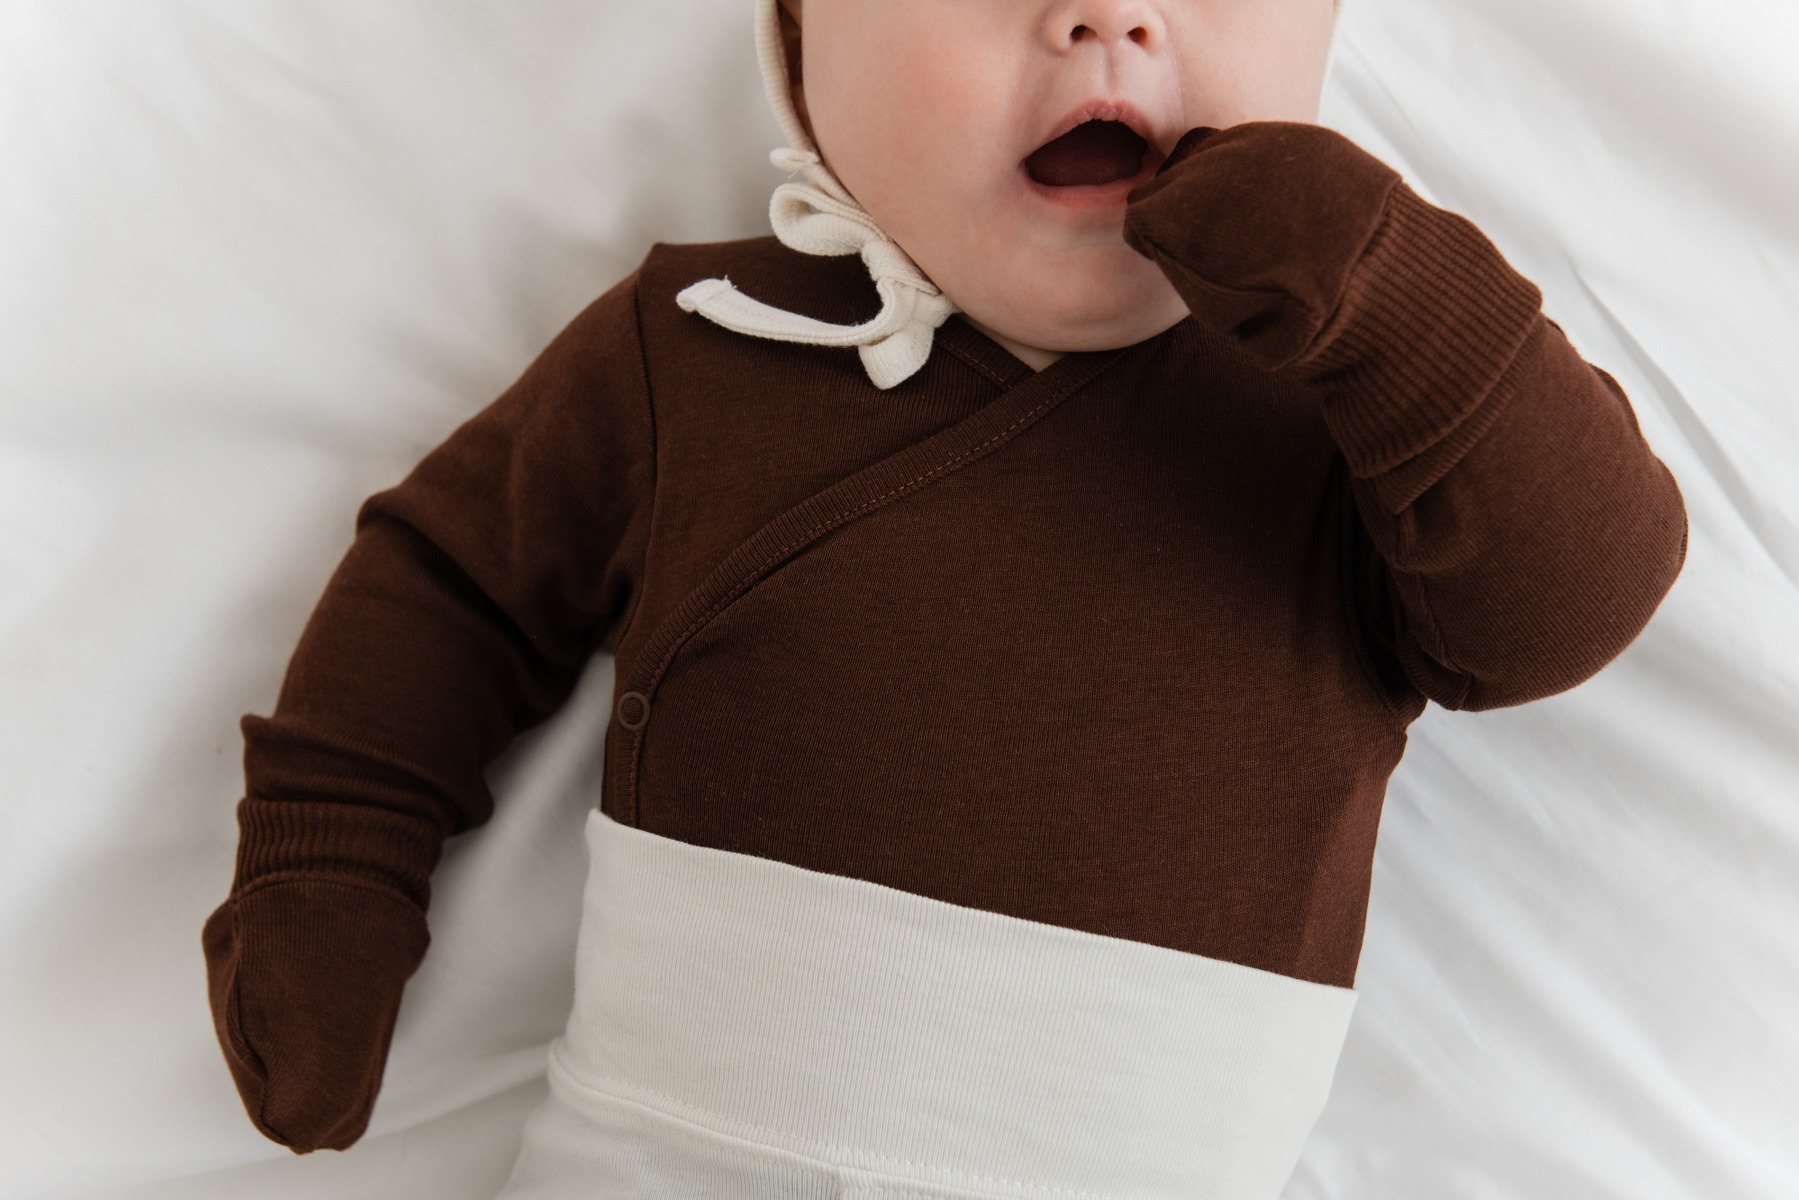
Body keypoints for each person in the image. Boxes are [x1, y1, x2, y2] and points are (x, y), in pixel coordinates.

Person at [202, 0, 1688, 1195]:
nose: (1111, 20)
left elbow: (1574, 600)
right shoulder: (707, 346)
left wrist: (1400, 296)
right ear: (802, 41)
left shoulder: (1351, 434)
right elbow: (449, 589)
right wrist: (330, 867)